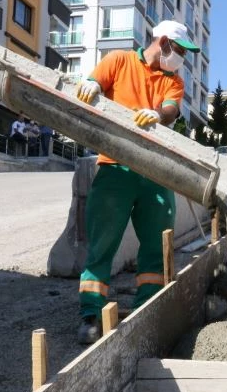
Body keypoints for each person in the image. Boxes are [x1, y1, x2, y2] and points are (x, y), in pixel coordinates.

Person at [73, 20, 199, 344]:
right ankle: (91, 313)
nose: (182, 57)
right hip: (115, 167)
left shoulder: (174, 81)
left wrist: (158, 113)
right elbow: (93, 83)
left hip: (156, 171)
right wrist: (92, 86)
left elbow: (171, 108)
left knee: (157, 246)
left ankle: (146, 309)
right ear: (163, 42)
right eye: (181, 50)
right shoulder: (119, 61)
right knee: (102, 244)